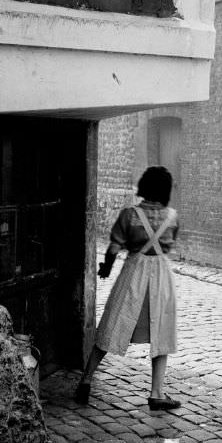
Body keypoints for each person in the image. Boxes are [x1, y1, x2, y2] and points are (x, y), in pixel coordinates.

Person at [75, 166, 181, 411]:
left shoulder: (129, 215)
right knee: (161, 330)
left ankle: (87, 378)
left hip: (133, 273)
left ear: (143, 186)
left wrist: (106, 268)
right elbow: (169, 244)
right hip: (161, 279)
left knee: (112, 324)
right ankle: (157, 393)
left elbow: (114, 248)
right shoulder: (172, 217)